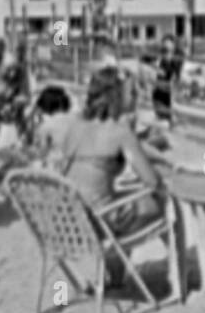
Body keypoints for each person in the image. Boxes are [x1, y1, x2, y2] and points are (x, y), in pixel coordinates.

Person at [54, 67, 164, 236]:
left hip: (71, 219)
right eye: (132, 91)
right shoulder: (120, 132)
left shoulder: (74, 126)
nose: (137, 96)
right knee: (162, 202)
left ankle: (119, 260)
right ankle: (177, 262)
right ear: (117, 96)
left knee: (124, 198)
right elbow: (152, 182)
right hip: (99, 223)